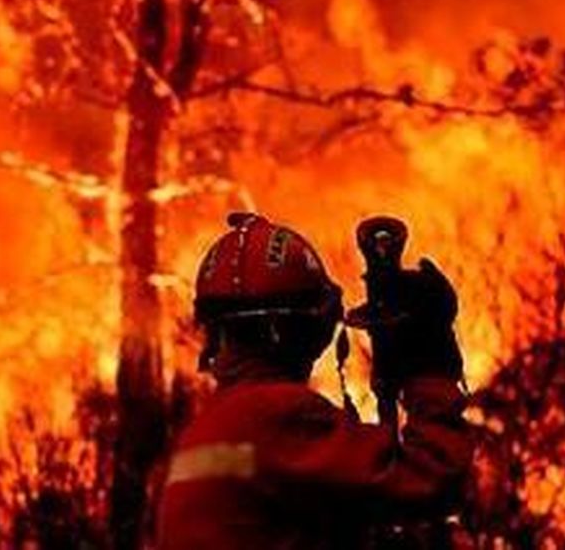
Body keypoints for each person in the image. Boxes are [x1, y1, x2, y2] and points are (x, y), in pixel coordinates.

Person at [157, 212, 472, 549]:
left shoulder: (208, 426)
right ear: (290, 330)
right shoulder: (278, 413)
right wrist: (429, 366)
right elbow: (430, 477)